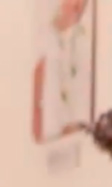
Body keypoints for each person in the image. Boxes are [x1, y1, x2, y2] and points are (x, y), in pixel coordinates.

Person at [32, 0, 93, 143]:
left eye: (82, 3)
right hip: (51, 131)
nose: (77, 6)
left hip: (71, 131)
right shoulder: (46, 37)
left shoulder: (79, 38)